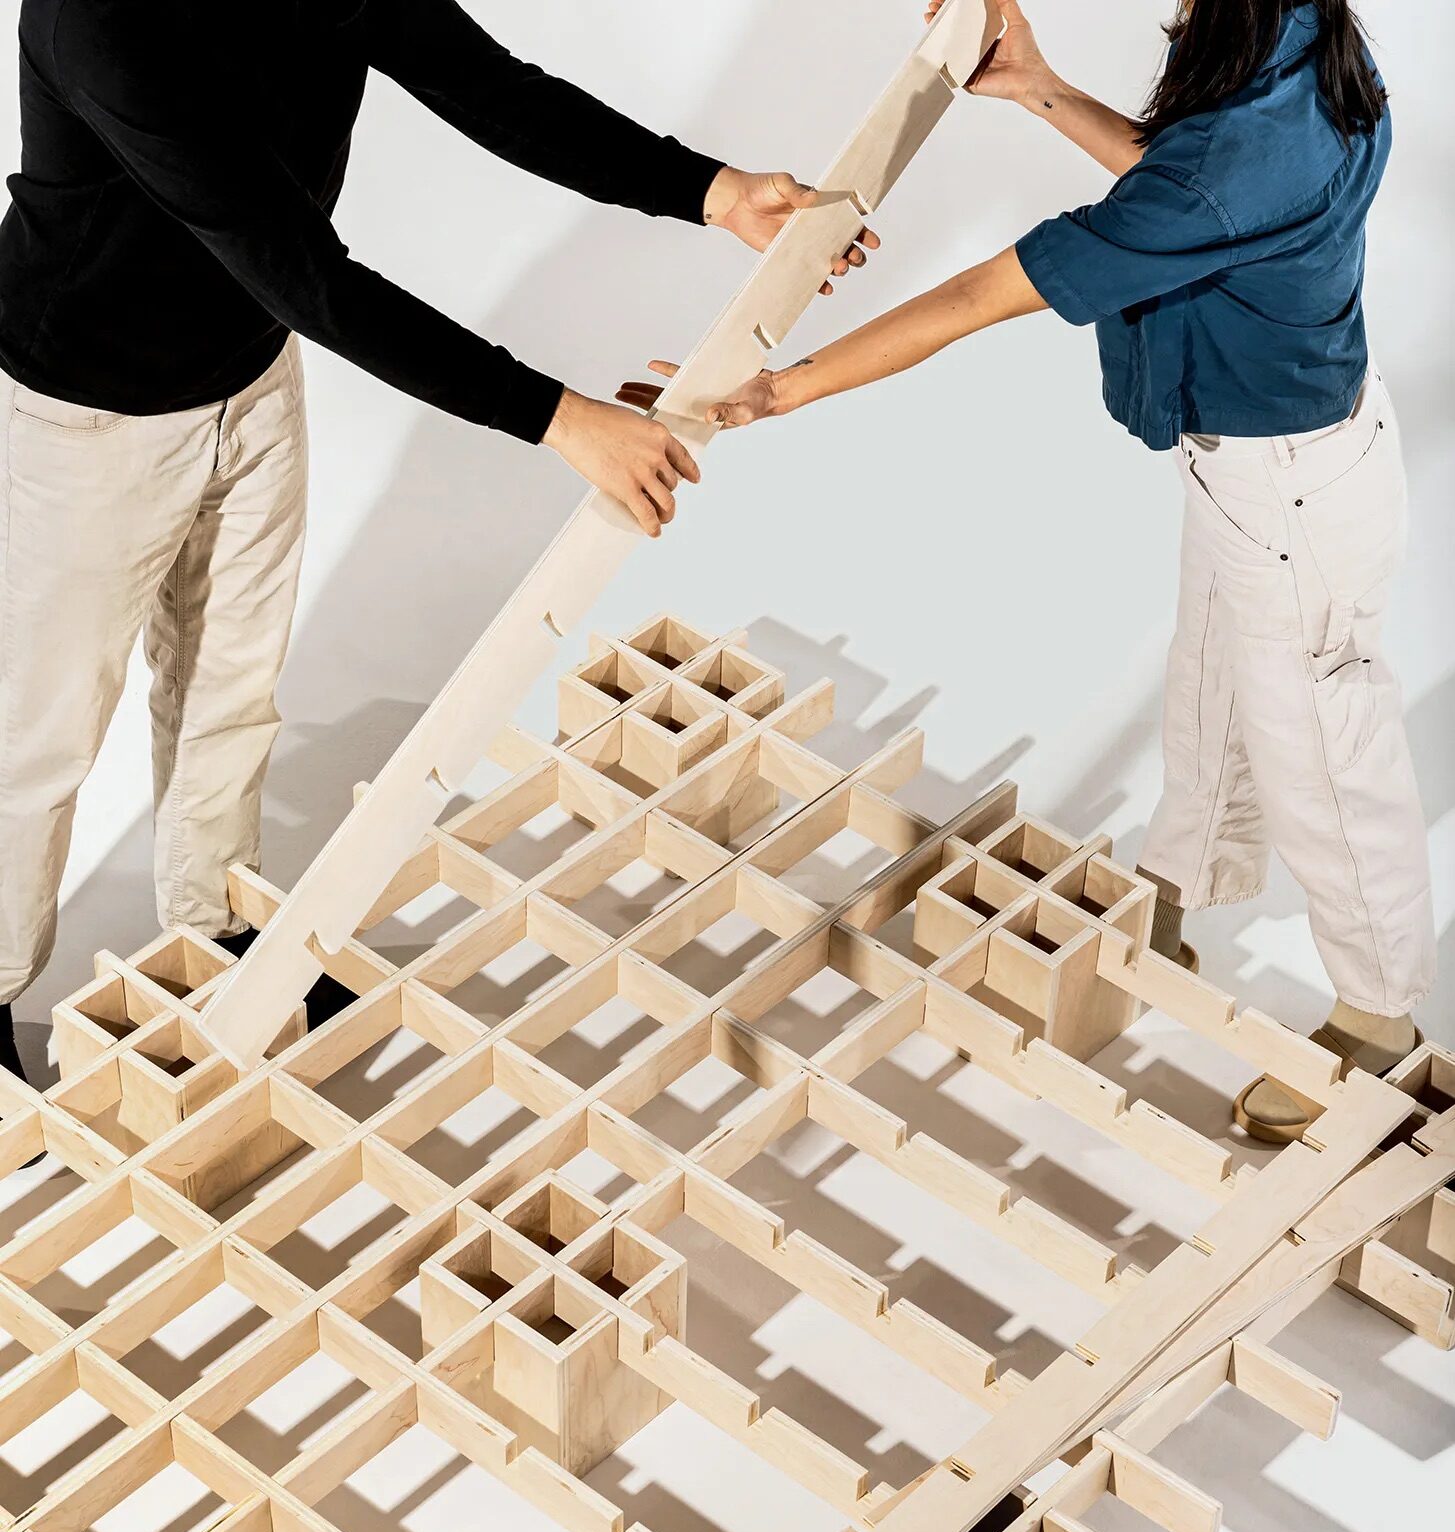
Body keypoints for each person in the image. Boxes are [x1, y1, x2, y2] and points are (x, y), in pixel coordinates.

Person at [0, 0, 877, 1084]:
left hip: (250, 376)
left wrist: (709, 191)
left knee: (230, 691)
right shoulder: (96, 22)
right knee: (35, 740)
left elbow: (494, 91)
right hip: (85, 413)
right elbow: (304, 272)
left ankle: (219, 944)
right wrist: (560, 417)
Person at [621, 0, 1435, 1144]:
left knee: (1319, 749)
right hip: (1281, 468)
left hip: (1290, 491)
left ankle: (1379, 1018)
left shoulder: (1235, 164)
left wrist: (782, 386)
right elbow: (1185, 190)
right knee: (1210, 687)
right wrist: (1043, 88)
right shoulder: (1311, 47)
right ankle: (1181, 893)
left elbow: (976, 300)